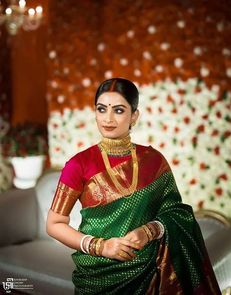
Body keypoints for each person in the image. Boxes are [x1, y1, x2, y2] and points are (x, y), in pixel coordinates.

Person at [46, 78, 221, 294]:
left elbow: (176, 213)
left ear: (134, 116)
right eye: (102, 109)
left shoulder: (154, 161)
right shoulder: (78, 164)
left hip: (149, 273)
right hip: (96, 276)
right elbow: (54, 223)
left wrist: (150, 231)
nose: (108, 118)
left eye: (118, 110)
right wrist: (101, 246)